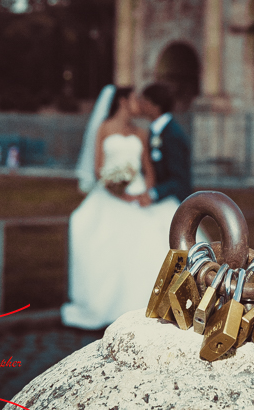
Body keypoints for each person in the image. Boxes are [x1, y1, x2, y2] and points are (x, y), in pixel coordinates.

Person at [61, 84, 192, 330]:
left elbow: (149, 171)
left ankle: (146, 302)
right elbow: (98, 168)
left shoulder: (142, 133)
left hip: (138, 191)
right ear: (122, 101)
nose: (138, 104)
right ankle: (103, 302)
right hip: (111, 192)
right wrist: (117, 190)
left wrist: (144, 192)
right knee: (88, 227)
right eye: (134, 99)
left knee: (149, 240)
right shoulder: (104, 128)